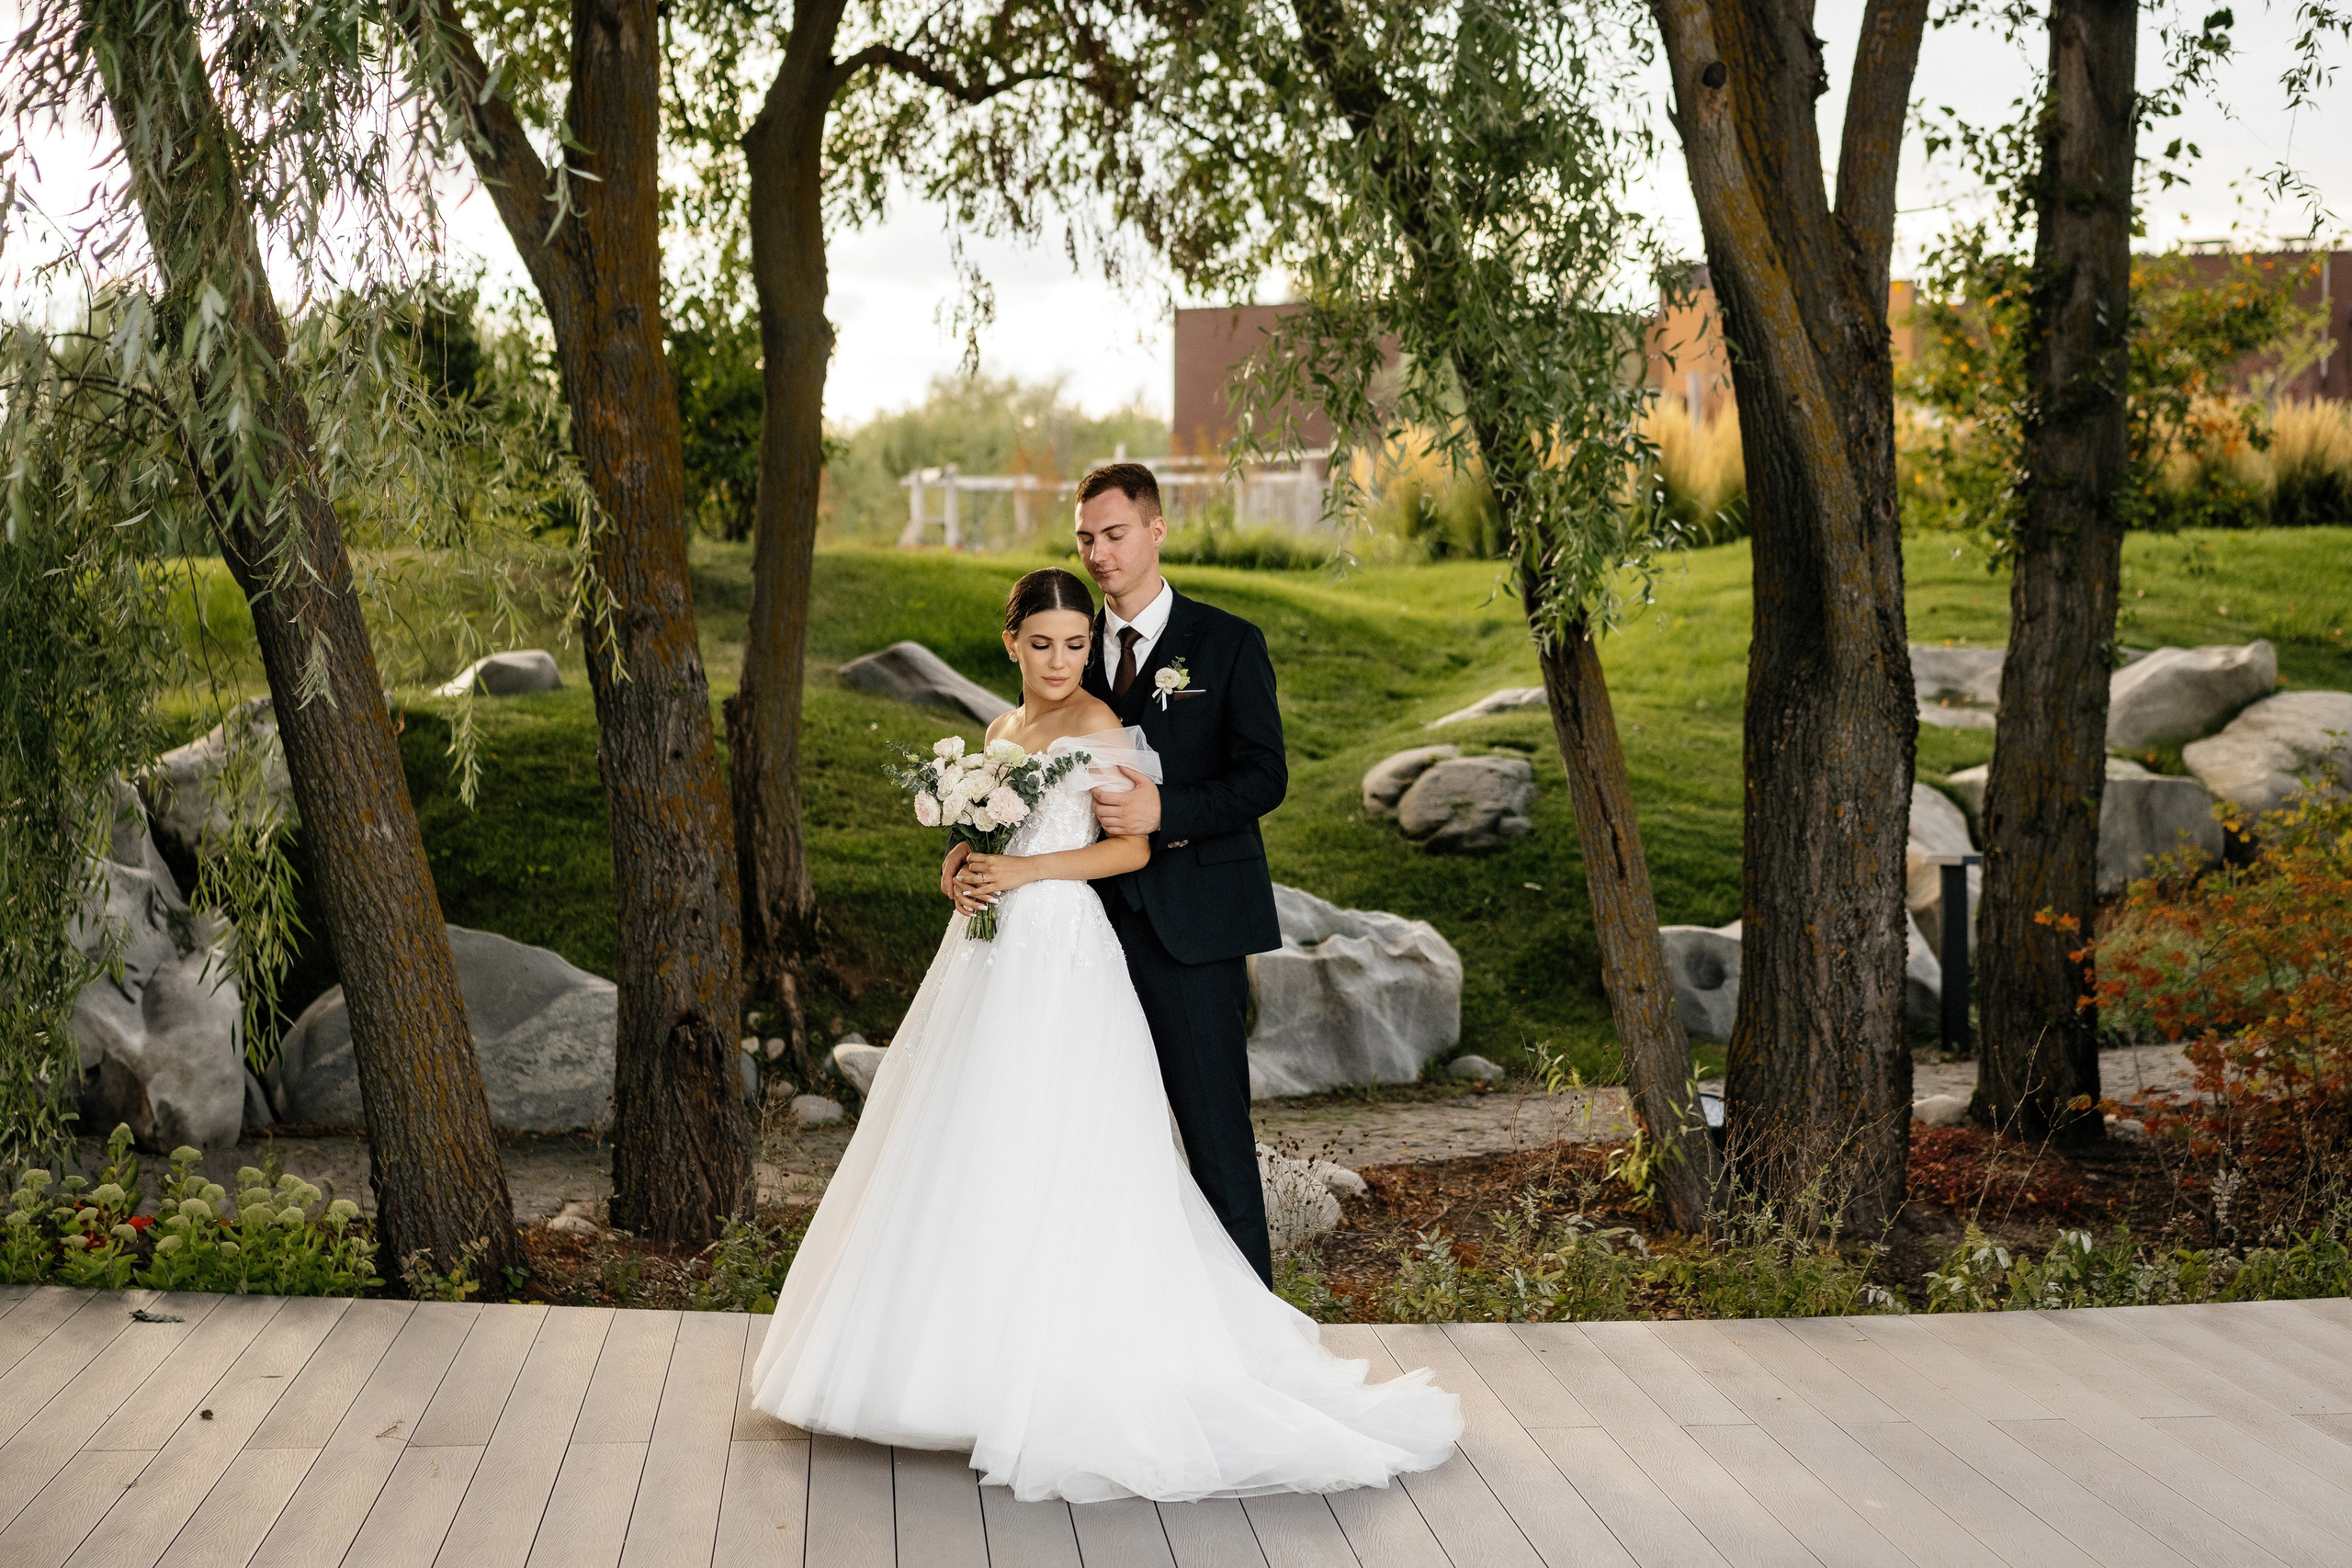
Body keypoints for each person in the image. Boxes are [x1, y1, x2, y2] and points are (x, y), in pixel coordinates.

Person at [749, 558, 1460, 1504]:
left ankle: (1064, 1368)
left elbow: (1129, 847)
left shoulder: (1103, 725)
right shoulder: (1000, 730)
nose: (1060, 661)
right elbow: (995, 836)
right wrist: (963, 861)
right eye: (1043, 644)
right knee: (974, 1138)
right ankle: (960, 1364)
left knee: (1063, 1140)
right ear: (1011, 643)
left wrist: (1025, 873)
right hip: (987, 950)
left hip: (1062, 948)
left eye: (1076, 644)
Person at [951, 460, 1284, 1284]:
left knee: (1216, 1141)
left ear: (1156, 529)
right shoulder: (1066, 644)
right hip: (1074, 941)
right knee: (1085, 1142)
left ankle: (1249, 1328)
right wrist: (967, 850)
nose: (1099, 553)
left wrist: (1167, 809)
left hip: (1191, 929)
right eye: (1085, 538)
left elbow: (1264, 777)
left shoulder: (1227, 643)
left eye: (1115, 534)